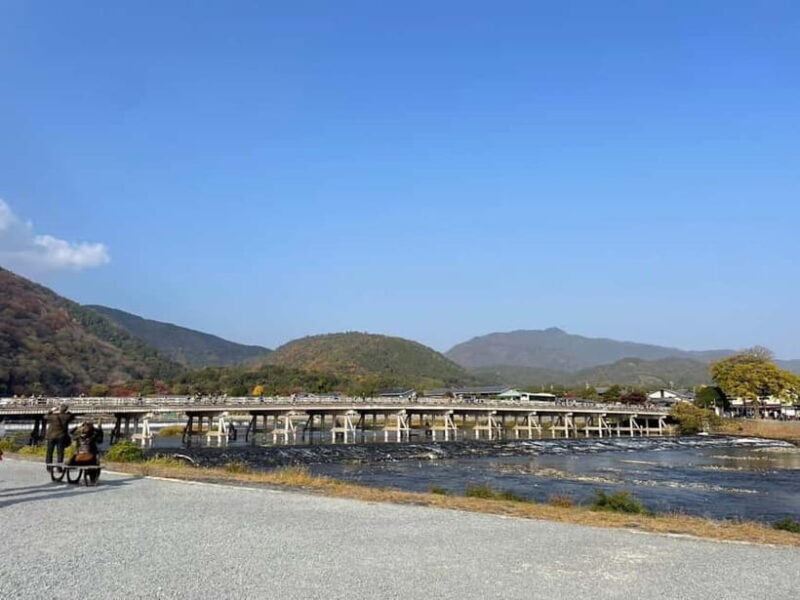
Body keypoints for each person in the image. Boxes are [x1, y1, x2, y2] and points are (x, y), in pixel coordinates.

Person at [68, 420, 104, 485]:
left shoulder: (78, 437)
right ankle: (93, 479)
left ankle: (90, 477)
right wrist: (98, 429)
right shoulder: (93, 437)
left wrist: (78, 426)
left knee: (78, 456)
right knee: (95, 462)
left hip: (77, 461)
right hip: (89, 461)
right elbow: (100, 440)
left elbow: (70, 432)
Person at [45, 404, 75, 471]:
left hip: (51, 436)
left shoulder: (53, 416)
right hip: (61, 436)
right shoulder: (67, 416)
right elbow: (72, 416)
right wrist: (67, 411)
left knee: (49, 452)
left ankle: (49, 467)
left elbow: (45, 416)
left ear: (60, 409)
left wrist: (51, 410)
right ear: (66, 409)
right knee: (60, 452)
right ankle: (59, 467)